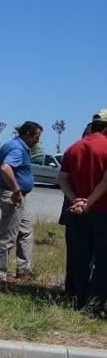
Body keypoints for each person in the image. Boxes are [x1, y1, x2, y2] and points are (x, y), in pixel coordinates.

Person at [60, 109, 107, 313]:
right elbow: (105, 182)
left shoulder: (73, 148)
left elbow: (62, 178)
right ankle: (94, 304)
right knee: (103, 261)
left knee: (80, 258)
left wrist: (75, 200)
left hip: (76, 212)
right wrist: (89, 202)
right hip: (102, 211)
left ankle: (78, 299)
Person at [0, 121, 42, 281]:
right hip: (12, 195)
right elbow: (5, 168)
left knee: (26, 231)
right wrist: (16, 190)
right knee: (7, 234)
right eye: (37, 137)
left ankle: (24, 270)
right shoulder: (18, 148)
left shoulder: (12, 145)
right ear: (27, 134)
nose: (38, 141)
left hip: (16, 196)